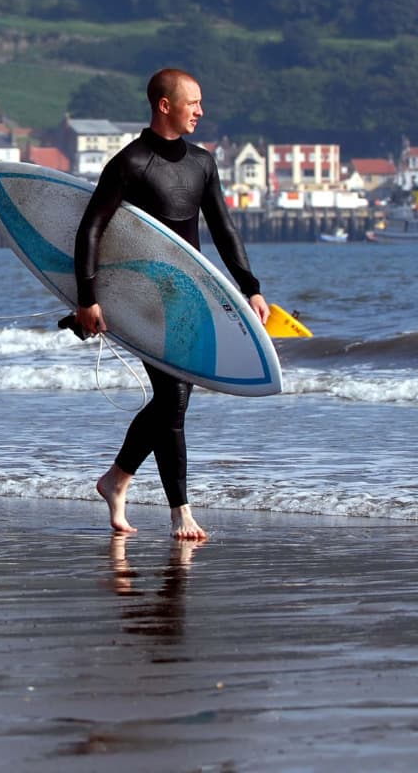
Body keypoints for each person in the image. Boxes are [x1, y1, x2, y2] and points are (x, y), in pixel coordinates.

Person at [72, 68, 269, 542]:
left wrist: (251, 288)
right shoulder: (130, 163)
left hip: (189, 298)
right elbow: (90, 230)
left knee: (171, 399)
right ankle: (180, 511)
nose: (200, 111)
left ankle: (116, 480)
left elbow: (224, 229)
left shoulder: (202, 163)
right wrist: (87, 298)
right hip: (144, 298)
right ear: (166, 106)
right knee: (173, 398)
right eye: (193, 103)